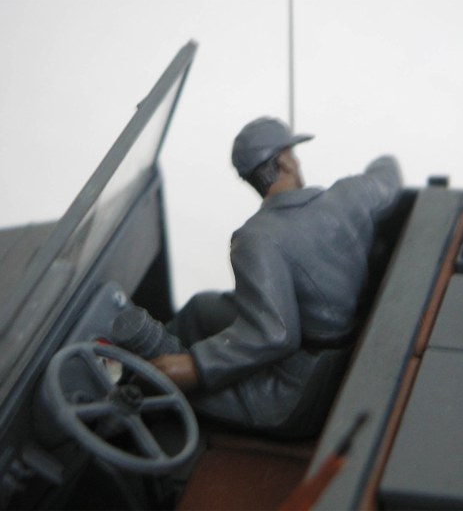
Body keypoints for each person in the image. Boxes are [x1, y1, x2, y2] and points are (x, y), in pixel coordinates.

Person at [113, 116, 402, 437]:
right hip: (327, 349)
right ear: (286, 163)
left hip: (301, 385)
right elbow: (387, 177)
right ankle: (151, 362)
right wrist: (381, 160)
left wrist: (195, 366)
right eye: (293, 154)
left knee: (178, 389)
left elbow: (274, 334)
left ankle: (133, 401)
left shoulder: (256, 237)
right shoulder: (350, 195)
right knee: (200, 308)